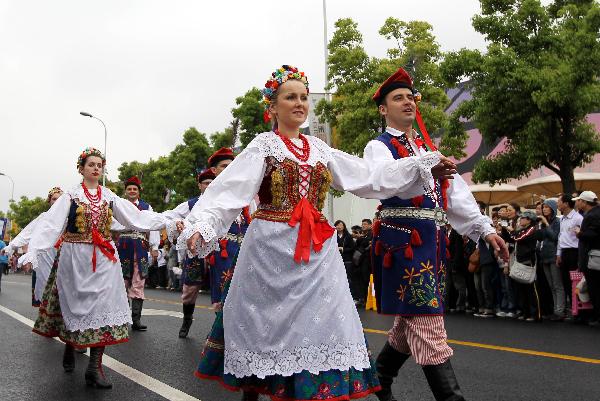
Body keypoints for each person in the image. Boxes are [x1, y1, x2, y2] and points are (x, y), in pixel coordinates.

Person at [184, 65, 463, 401]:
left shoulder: (319, 148)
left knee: (317, 328)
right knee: (267, 327)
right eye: (290, 97)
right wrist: (203, 224)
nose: (300, 103)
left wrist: (422, 163)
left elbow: (367, 176)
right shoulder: (264, 145)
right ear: (272, 107)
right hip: (271, 249)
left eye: (303, 97)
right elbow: (228, 192)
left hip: (317, 251)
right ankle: (255, 389)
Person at [365, 67, 508, 401]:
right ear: (383, 109)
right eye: (397, 98)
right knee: (428, 325)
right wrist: (424, 164)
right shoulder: (379, 146)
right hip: (402, 244)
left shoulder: (428, 147)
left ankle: (380, 378)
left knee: (411, 320)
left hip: (432, 244)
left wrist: (484, 230)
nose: (407, 103)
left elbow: (455, 194)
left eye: (410, 97)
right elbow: (381, 179)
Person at [20, 147, 169, 389]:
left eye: (100, 164)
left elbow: (137, 218)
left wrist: (169, 220)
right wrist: (33, 251)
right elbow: (50, 226)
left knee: (104, 305)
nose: (96, 168)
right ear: (81, 168)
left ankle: (94, 367)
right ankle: (70, 345)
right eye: (91, 164)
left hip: (104, 258)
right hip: (74, 258)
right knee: (75, 306)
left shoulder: (109, 196)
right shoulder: (70, 197)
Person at [161, 167, 216, 338]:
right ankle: (187, 319)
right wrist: (178, 222)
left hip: (219, 251)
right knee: (190, 290)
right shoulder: (191, 204)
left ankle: (217, 331)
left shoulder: (224, 203)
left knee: (221, 290)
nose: (209, 186)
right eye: (206, 183)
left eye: (213, 183)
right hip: (195, 252)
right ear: (199, 185)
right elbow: (170, 215)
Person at [2, 187, 63, 305]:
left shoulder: (70, 217)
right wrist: (11, 246)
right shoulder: (44, 218)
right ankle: (47, 319)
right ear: (49, 201)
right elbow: (27, 233)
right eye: (54, 199)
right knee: (48, 290)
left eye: (60, 199)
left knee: (65, 292)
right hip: (45, 258)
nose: (57, 202)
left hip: (64, 257)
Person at [114, 176, 160, 331]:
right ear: (125, 191)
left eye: (135, 189)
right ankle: (122, 317)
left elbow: (152, 226)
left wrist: (154, 247)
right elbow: (112, 226)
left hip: (140, 247)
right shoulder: (119, 206)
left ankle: (136, 319)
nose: (132, 191)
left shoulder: (147, 207)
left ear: (139, 192)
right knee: (122, 283)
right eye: (129, 189)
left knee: (139, 281)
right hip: (123, 246)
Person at [508, 211, 541, 321]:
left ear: (529, 220)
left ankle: (536, 314)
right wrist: (504, 230)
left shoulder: (532, 229)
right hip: (520, 260)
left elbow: (518, 238)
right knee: (521, 289)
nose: (520, 220)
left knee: (531, 289)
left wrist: (512, 232)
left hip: (529, 261)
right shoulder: (522, 230)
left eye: (523, 218)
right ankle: (525, 312)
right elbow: (512, 239)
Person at [574, 191, 600, 326]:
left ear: (584, 202)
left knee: (594, 288)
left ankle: (597, 317)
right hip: (593, 256)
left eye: (578, 200)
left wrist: (579, 233)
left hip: (593, 258)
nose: (577, 202)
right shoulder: (594, 213)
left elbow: (592, 234)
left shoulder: (593, 215)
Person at [536, 199, 564, 320]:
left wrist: (546, 225)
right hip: (544, 256)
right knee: (551, 285)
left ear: (552, 208)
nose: (544, 209)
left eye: (547, 207)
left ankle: (560, 311)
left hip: (553, 255)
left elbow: (554, 237)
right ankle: (555, 309)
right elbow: (541, 238)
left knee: (557, 284)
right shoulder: (543, 222)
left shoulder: (557, 221)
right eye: (543, 207)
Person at [557, 193, 583, 306]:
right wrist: (558, 253)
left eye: (559, 202)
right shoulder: (562, 219)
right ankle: (573, 308)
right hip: (564, 253)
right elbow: (560, 237)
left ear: (566, 204)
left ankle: (581, 310)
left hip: (574, 252)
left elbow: (581, 238)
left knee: (576, 282)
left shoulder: (578, 218)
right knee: (566, 282)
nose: (558, 204)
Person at [335, 219, 355, 288]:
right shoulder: (333, 236)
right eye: (337, 225)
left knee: (347, 277)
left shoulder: (348, 236)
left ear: (344, 227)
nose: (339, 226)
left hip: (347, 260)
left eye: (341, 225)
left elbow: (352, 248)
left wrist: (343, 249)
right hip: (336, 259)